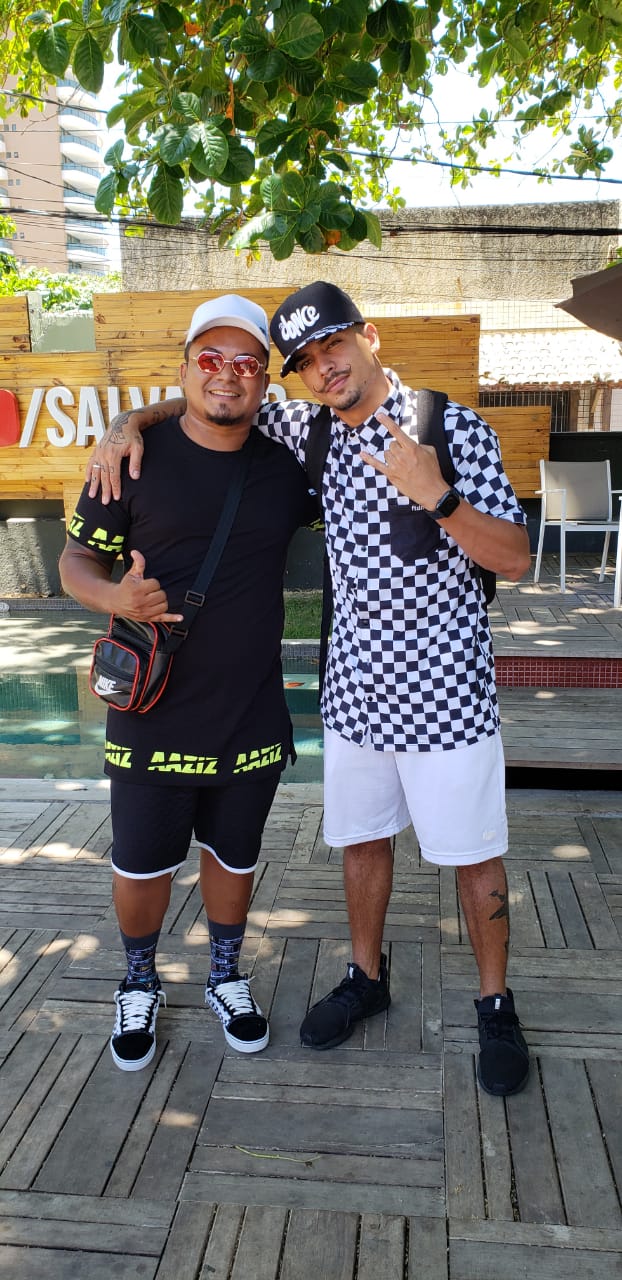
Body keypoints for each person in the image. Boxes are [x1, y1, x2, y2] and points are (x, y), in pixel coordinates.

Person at [87, 282, 532, 1097]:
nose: (325, 367)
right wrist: (130, 422)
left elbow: (515, 557)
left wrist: (436, 494)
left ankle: (495, 1004)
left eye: (335, 346)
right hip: (355, 696)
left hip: (448, 696)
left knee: (474, 856)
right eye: (306, 360)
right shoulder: (308, 430)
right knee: (363, 844)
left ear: (369, 336)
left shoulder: (452, 427)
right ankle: (366, 978)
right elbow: (218, 396)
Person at [60, 294, 315, 1071]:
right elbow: (75, 562)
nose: (226, 375)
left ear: (264, 379)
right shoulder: (132, 460)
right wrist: (114, 597)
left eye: (245, 362)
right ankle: (138, 982)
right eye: (210, 358)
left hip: (250, 708)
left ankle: (226, 975)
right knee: (141, 863)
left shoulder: (287, 466)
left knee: (235, 856)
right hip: (153, 707)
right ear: (183, 369)